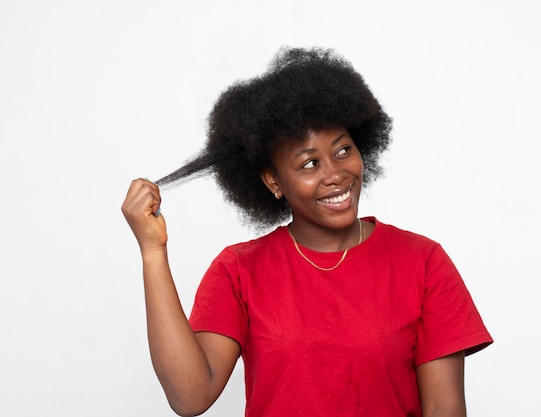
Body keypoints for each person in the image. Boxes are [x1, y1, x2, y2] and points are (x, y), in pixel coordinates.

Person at [121, 47, 492, 417]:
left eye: (343, 149)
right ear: (273, 182)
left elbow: (444, 408)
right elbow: (190, 396)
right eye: (310, 163)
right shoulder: (239, 270)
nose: (335, 173)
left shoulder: (422, 262)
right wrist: (153, 251)